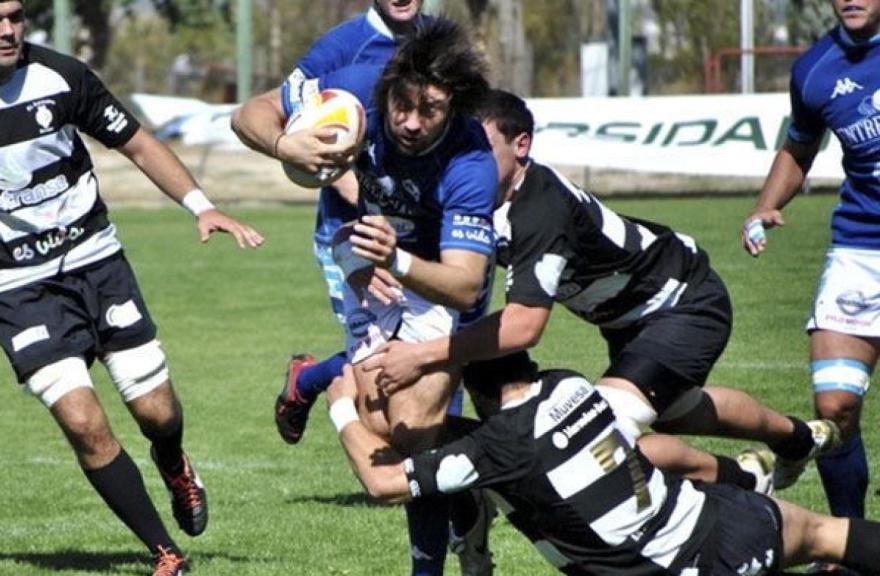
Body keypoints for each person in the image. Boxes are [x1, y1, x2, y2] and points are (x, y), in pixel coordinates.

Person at [0, 2, 263, 575]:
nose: (8, 29)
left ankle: (174, 463)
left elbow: (138, 144)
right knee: (83, 422)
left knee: (156, 412)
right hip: (15, 288)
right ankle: (166, 553)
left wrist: (202, 207)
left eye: (16, 15)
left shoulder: (62, 77)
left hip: (97, 265)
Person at [363, 89, 838, 496]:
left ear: (521, 145)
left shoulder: (538, 208)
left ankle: (743, 480)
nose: (468, 163)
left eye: (481, 149)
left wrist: (424, 355)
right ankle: (794, 438)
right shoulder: (475, 196)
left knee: (597, 437)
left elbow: (525, 325)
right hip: (626, 317)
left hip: (682, 302)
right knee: (676, 412)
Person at [233, 20, 495, 575]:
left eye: (430, 111)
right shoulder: (357, 82)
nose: (410, 122)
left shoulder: (471, 162)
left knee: (414, 429)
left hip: (439, 273)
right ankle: (484, 478)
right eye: (402, 105)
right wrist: (286, 142)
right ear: (388, 85)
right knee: (386, 431)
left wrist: (398, 259)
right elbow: (247, 115)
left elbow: (466, 283)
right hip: (362, 255)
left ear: (455, 107)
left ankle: (323, 380)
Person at [325, 353, 880, 576]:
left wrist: (341, 405)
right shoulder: (568, 385)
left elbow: (382, 482)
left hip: (678, 568)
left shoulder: (495, 450)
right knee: (827, 533)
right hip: (724, 516)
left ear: (478, 391)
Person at [232, 0, 428, 448]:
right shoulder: (343, 49)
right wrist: (289, 148)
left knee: (436, 347)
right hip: (354, 235)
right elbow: (259, 111)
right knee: (379, 368)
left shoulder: (438, 43)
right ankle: (310, 380)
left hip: (423, 230)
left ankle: (442, 479)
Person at [741, 0, 879, 538]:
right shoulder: (815, 70)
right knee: (836, 409)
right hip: (860, 253)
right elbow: (799, 148)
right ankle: (854, 543)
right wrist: (763, 205)